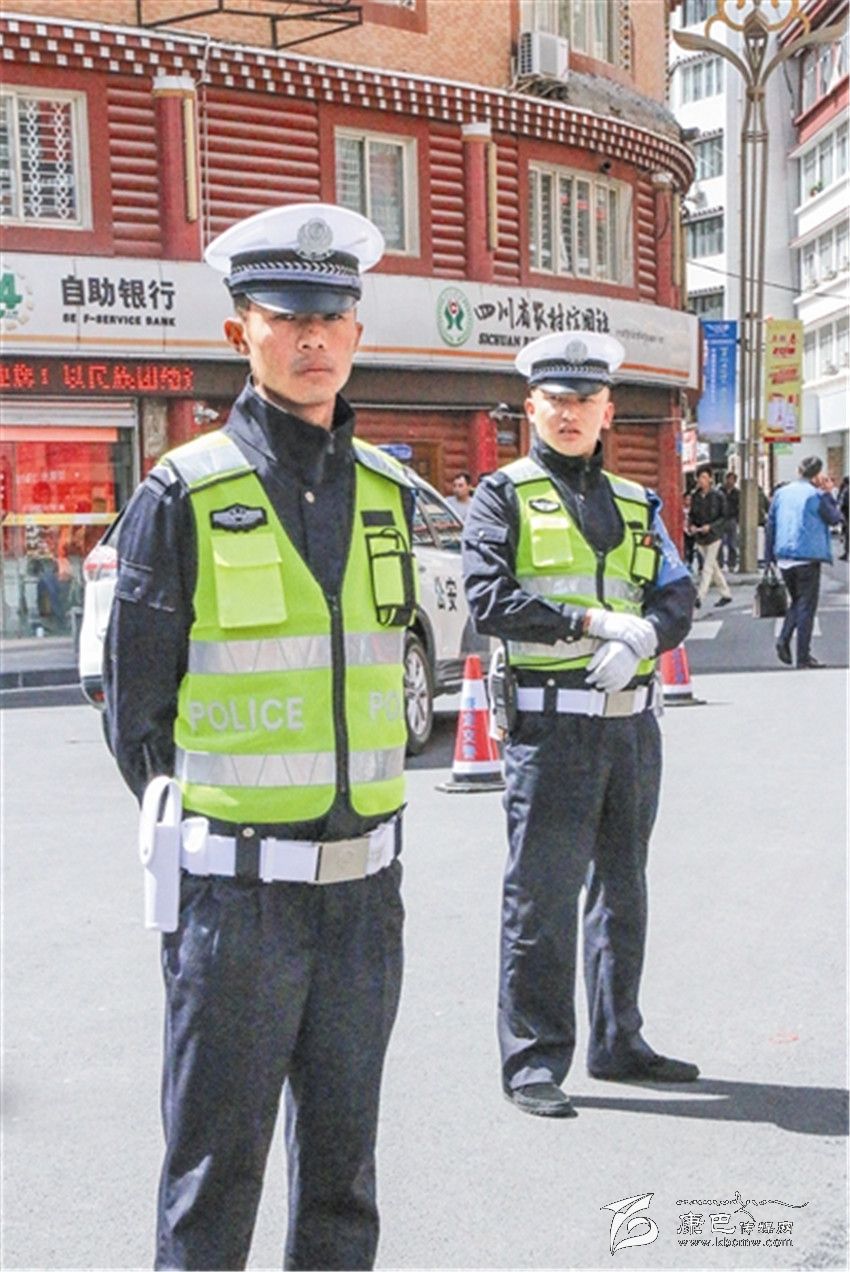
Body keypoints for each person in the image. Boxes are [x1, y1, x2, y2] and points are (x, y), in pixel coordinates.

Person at [104, 203, 415, 1270]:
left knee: (344, 1180)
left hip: (365, 896)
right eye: (289, 317)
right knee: (213, 1176)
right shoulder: (181, 492)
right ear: (241, 330)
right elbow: (135, 712)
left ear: (358, 330)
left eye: (332, 317)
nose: (313, 338)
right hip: (237, 901)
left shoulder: (386, 494)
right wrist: (198, 837)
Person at [462, 332, 699, 1120]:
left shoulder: (637, 502)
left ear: (608, 411)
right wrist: (592, 624)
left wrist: (647, 635)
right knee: (542, 897)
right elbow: (489, 597)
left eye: (584, 400)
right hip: (550, 726)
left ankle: (619, 1039)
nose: (570, 413)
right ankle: (533, 1058)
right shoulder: (502, 495)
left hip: (630, 727)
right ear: (530, 407)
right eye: (556, 399)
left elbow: (676, 593)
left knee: (623, 890)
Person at [766, 455, 843, 669]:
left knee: (798, 601)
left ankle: (784, 639)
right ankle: (802, 656)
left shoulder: (781, 493)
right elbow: (835, 518)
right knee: (807, 606)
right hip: (807, 556)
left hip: (784, 555)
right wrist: (828, 494)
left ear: (799, 471)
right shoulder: (816, 495)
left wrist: (769, 557)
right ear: (817, 475)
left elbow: (771, 524)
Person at [688, 465, 732, 610]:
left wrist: (711, 527)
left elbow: (724, 516)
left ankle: (699, 597)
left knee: (707, 567)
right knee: (713, 566)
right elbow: (692, 515)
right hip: (700, 536)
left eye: (704, 477)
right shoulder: (695, 496)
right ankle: (726, 594)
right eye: (700, 478)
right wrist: (692, 526)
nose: (702, 480)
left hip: (714, 535)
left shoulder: (718, 496)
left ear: (710, 479)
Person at [721, 470, 740, 571]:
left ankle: (731, 564)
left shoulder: (737, 493)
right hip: (721, 519)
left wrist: (737, 518)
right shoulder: (720, 491)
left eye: (733, 480)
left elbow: (739, 506)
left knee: (732, 544)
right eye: (729, 479)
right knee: (719, 543)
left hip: (732, 519)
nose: (730, 481)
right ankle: (719, 564)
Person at [837, 475, 849, 561]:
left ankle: (846, 554)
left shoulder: (846, 491)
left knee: (848, 535)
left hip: (847, 516)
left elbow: (843, 504)